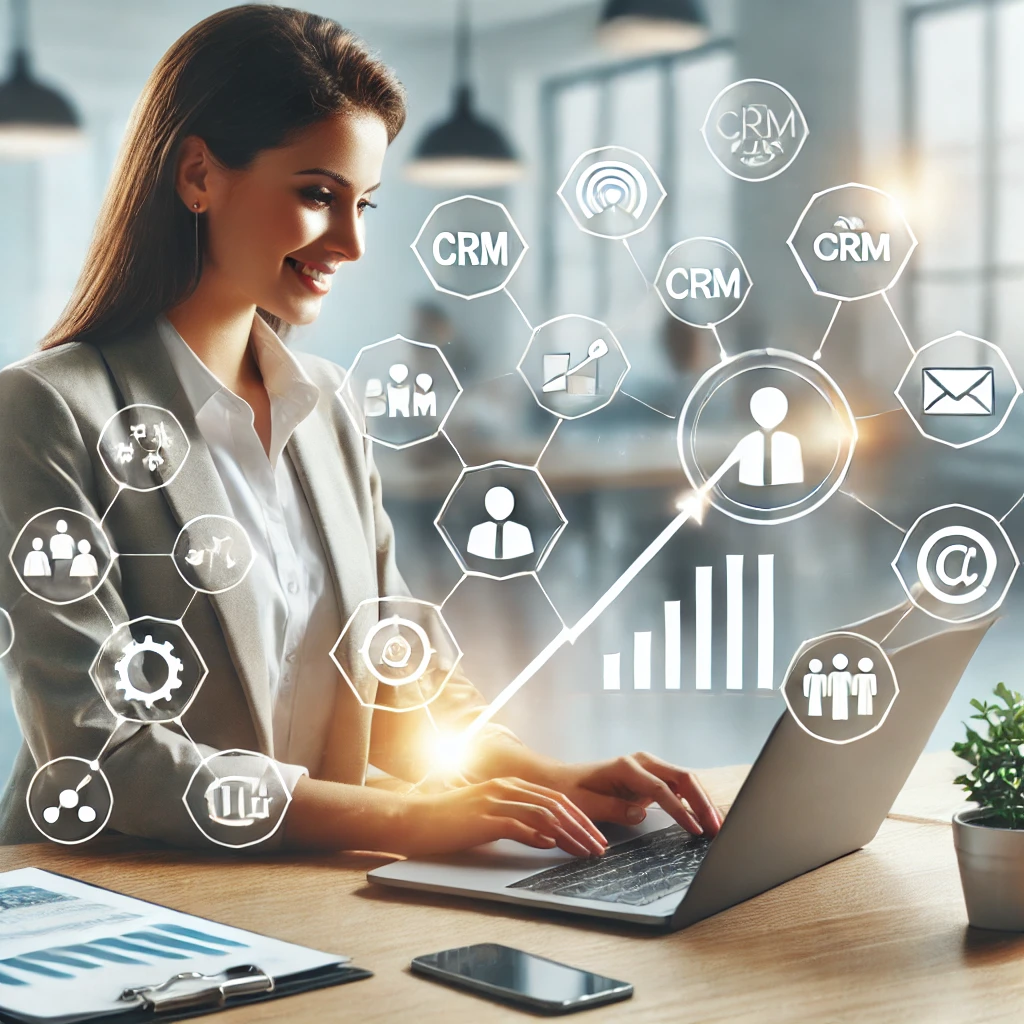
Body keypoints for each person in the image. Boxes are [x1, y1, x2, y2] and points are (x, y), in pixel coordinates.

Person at [0, 6, 721, 857]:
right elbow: (103, 756)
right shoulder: (45, 410)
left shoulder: (329, 407)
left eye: (364, 203)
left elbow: (401, 684)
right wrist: (409, 820)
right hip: (126, 904)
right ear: (198, 174)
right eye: (317, 195)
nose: (350, 241)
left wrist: (552, 779)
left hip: (305, 898)